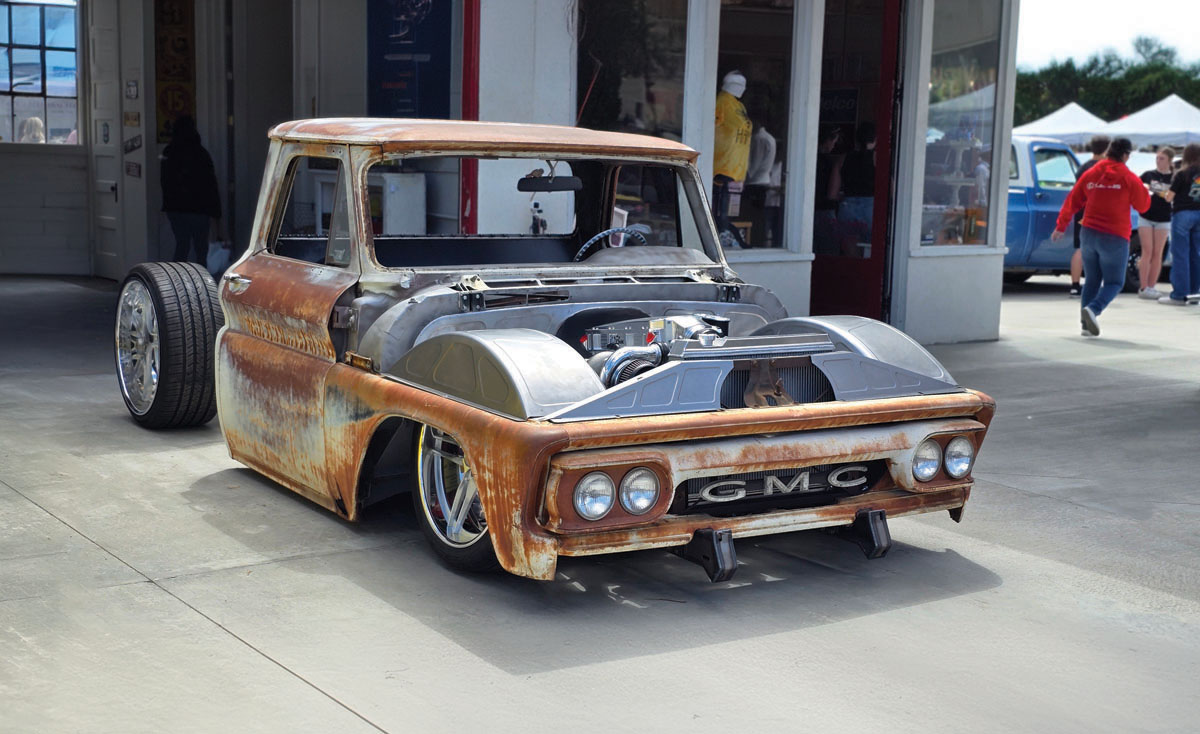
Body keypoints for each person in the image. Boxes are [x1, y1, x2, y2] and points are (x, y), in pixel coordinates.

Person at [1051, 138, 1150, 337]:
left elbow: (1073, 200)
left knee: (1092, 280)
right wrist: (1145, 190)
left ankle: (1085, 326)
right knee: (1114, 282)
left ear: (1108, 151)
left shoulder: (1091, 173)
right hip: (1115, 236)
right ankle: (1093, 310)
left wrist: (1061, 225)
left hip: (1088, 233)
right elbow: (1143, 206)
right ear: (1125, 155)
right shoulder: (1128, 177)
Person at [161, 115, 221, 264]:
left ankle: (176, 276)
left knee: (182, 245)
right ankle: (202, 276)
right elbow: (210, 184)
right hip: (199, 208)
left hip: (175, 208)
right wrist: (216, 213)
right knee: (201, 248)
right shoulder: (200, 153)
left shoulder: (169, 152)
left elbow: (165, 181)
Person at [713, 70, 752, 249]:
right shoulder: (721, 102)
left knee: (728, 207)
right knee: (720, 207)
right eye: (740, 85)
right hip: (722, 164)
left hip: (736, 166)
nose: (742, 89)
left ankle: (724, 230)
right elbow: (711, 127)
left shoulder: (739, 105)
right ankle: (719, 233)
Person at [1159, 143, 1200, 306]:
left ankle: (1179, 295)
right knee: (1196, 255)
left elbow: (1169, 197)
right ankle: (1194, 293)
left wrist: (1159, 190)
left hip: (1182, 214)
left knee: (1180, 255)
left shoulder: (1182, 174)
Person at [1069, 135, 1110, 296]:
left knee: (1080, 248)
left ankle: (1075, 285)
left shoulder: (1083, 168)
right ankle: (1096, 283)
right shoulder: (1104, 168)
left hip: (1081, 211)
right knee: (1100, 249)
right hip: (1098, 212)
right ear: (1106, 149)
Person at [1136, 147, 1174, 299]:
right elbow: (1139, 186)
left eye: (1162, 158)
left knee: (1158, 253)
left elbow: (1170, 196)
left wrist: (1155, 188)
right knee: (1147, 250)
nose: (1158, 161)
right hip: (1146, 216)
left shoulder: (1174, 178)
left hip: (1163, 218)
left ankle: (1151, 286)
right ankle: (1143, 287)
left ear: (1170, 161)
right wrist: (1146, 188)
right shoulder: (1149, 174)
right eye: (1157, 158)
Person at [838, 122, 876, 252]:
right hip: (871, 207)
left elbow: (832, 193)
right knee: (870, 252)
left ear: (857, 139)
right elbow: (891, 189)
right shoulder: (878, 159)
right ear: (875, 139)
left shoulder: (843, 158)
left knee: (850, 254)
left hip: (847, 206)